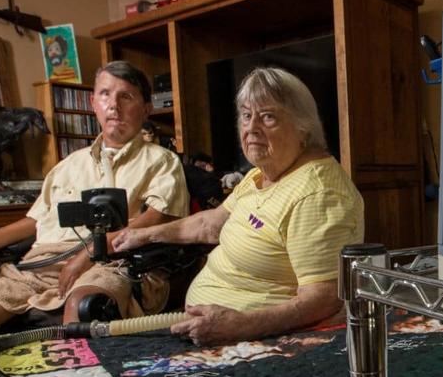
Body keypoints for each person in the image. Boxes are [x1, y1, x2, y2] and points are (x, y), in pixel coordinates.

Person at [0, 61, 189, 345]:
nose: (114, 106)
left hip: (113, 263)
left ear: (146, 108)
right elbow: (37, 221)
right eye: (106, 95)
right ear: (93, 102)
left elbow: (156, 221)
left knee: (83, 305)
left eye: (126, 96)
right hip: (41, 264)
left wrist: (90, 254)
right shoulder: (68, 166)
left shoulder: (160, 161)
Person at [114, 67, 363, 346]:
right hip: (210, 330)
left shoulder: (318, 194)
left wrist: (240, 325)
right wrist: (143, 235)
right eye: (246, 115)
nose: (251, 128)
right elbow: (211, 224)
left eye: (267, 117)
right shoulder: (262, 174)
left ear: (302, 126)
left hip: (261, 341)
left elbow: (324, 299)